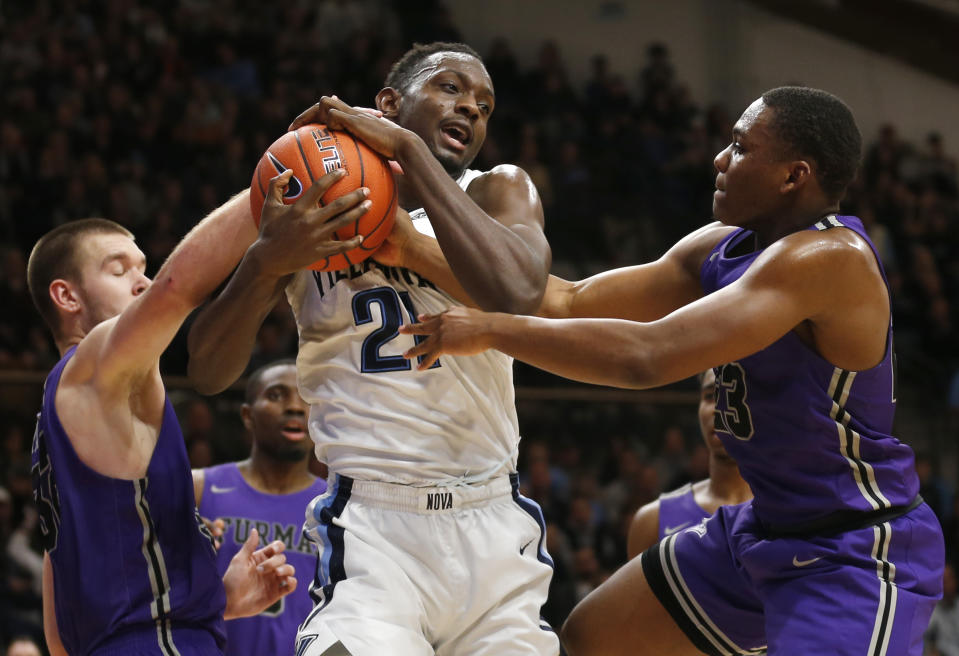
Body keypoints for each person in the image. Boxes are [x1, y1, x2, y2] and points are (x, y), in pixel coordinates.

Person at [398, 86, 945, 655]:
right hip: (765, 529)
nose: (719, 160)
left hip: (854, 547)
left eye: (739, 147)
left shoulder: (831, 259)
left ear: (793, 175)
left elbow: (647, 357)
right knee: (593, 638)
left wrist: (490, 330)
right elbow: (565, 300)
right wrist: (410, 247)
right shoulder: (721, 249)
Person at [187, 41, 557, 655]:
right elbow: (206, 371)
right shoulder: (313, 201)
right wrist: (264, 262)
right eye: (450, 88)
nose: (470, 107)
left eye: (485, 105)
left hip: (489, 518)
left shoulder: (497, 190)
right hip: (373, 527)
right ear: (388, 103)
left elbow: (518, 289)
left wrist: (406, 150)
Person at [25, 166, 366, 656]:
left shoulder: (55, 427)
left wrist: (215, 600)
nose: (142, 281)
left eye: (143, 267)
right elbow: (176, 288)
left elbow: (59, 635)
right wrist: (279, 184)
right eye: (119, 270)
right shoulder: (91, 363)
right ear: (66, 296)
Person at [193, 360, 327, 656]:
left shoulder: (335, 506)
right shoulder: (198, 488)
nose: (294, 407)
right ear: (247, 415)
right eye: (277, 395)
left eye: (306, 398)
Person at [626, 369, 752, 559]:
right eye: (710, 395)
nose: (720, 407)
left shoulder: (794, 510)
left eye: (734, 395)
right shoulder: (653, 519)